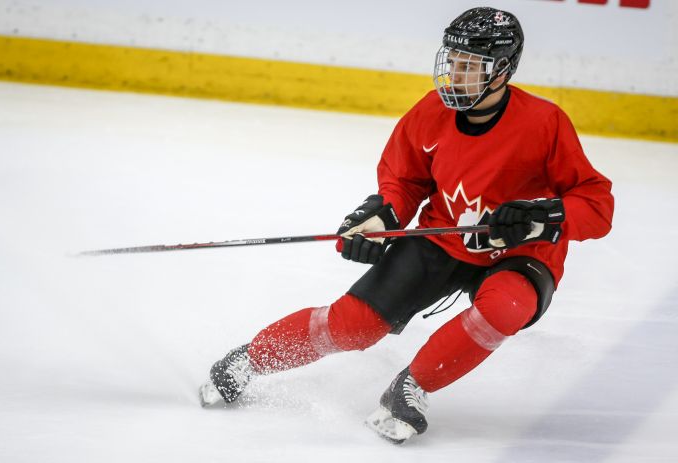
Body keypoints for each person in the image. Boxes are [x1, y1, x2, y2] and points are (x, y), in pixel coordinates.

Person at [197, 7, 614, 444]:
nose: (455, 74)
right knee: (354, 324)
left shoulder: (544, 123)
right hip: (442, 237)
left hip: (519, 253)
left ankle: (411, 386)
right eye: (452, 61)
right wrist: (381, 216)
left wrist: (538, 220)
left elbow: (596, 203)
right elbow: (403, 179)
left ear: (502, 71)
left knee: (504, 308)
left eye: (470, 65)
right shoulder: (430, 113)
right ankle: (250, 359)